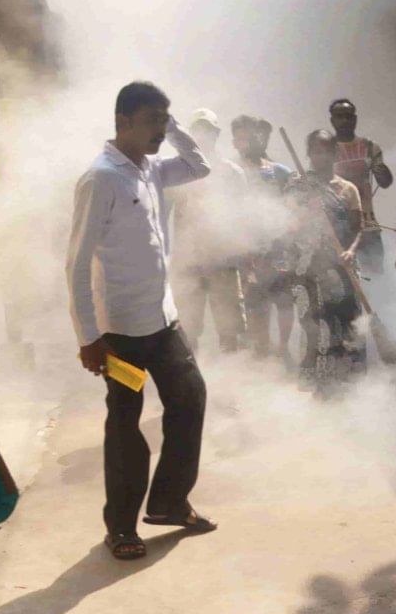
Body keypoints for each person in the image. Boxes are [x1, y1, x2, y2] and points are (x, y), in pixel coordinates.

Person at [66, 81, 218, 562]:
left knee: (190, 399)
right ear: (124, 121)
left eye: (163, 121)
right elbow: (76, 263)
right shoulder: (101, 179)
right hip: (121, 336)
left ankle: (170, 502)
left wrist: (171, 123)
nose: (159, 130)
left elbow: (199, 165)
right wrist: (90, 338)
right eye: (152, 120)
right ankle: (122, 527)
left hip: (163, 322)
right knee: (126, 427)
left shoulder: (151, 168)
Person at [285, 129, 366, 394]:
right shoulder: (298, 186)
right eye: (316, 151)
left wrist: (351, 251)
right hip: (308, 268)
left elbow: (358, 228)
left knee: (347, 321)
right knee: (316, 324)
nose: (321, 157)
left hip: (342, 267)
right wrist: (307, 206)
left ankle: (348, 382)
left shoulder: (347, 189)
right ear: (308, 154)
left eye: (326, 151)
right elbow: (287, 225)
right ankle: (319, 385)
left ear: (335, 153)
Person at [169, 108, 246, 353]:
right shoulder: (178, 170)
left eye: (208, 130)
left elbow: (243, 215)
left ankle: (232, 381)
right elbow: (162, 212)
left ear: (217, 133)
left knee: (229, 328)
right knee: (187, 328)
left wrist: (243, 253)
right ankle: (192, 384)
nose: (203, 135)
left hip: (222, 259)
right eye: (198, 130)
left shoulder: (231, 172)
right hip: (188, 259)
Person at [231, 115, 295, 360]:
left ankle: (283, 348)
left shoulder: (279, 171)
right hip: (246, 247)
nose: (248, 141)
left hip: (277, 246)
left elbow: (292, 206)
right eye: (242, 136)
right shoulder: (231, 171)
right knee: (255, 302)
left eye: (252, 135)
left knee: (284, 299)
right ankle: (262, 351)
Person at [329, 98, 392, 275]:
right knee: (345, 280)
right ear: (332, 120)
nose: (344, 121)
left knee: (376, 276)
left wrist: (381, 171)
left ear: (355, 119)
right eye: (339, 117)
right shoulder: (325, 148)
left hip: (367, 224)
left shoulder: (369, 147)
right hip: (339, 226)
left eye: (348, 116)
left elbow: (385, 182)